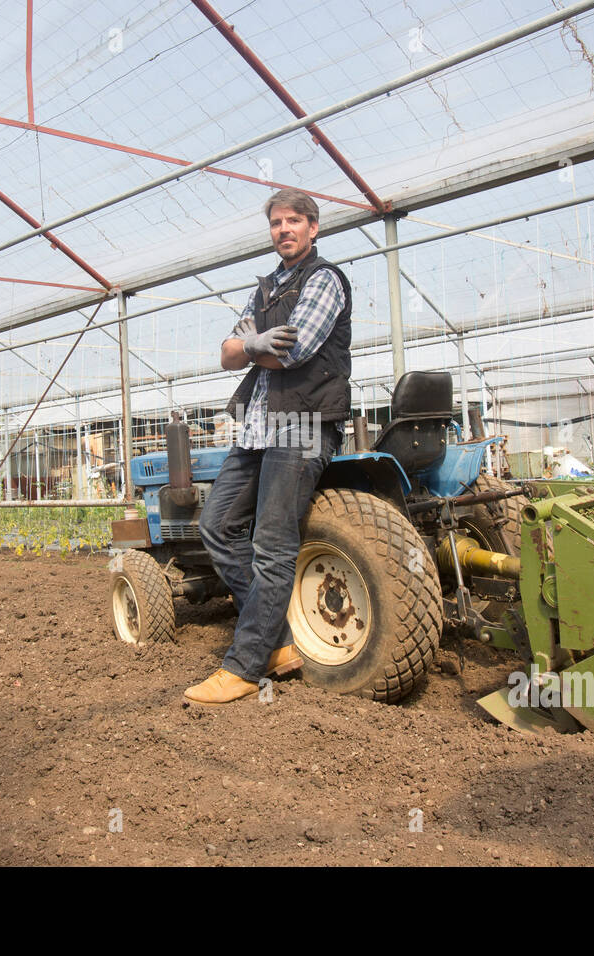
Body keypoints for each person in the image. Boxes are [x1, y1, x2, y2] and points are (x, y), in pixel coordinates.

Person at [184, 188, 352, 704]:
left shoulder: (324, 279)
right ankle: (277, 641)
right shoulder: (263, 290)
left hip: (302, 422)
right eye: (277, 222)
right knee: (216, 525)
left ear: (313, 228)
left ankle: (244, 665)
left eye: (295, 221)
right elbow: (226, 354)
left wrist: (252, 346)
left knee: (273, 546)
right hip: (258, 427)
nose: (285, 229)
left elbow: (295, 350)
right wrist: (251, 344)